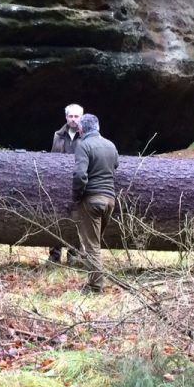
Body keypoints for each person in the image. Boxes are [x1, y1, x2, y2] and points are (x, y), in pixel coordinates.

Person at [72, 113, 119, 292]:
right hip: (109, 200)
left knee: (92, 246)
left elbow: (79, 175)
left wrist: (77, 196)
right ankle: (92, 276)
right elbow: (116, 165)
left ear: (82, 129)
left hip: (91, 200)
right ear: (98, 127)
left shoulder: (83, 146)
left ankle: (94, 287)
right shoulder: (110, 145)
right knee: (95, 243)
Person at [48, 104, 83, 264]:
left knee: (76, 219)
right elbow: (52, 158)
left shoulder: (86, 136)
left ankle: (73, 255)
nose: (73, 119)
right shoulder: (58, 135)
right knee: (55, 219)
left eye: (76, 116)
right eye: (71, 116)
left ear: (81, 118)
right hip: (58, 184)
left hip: (78, 183)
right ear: (66, 118)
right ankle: (54, 255)